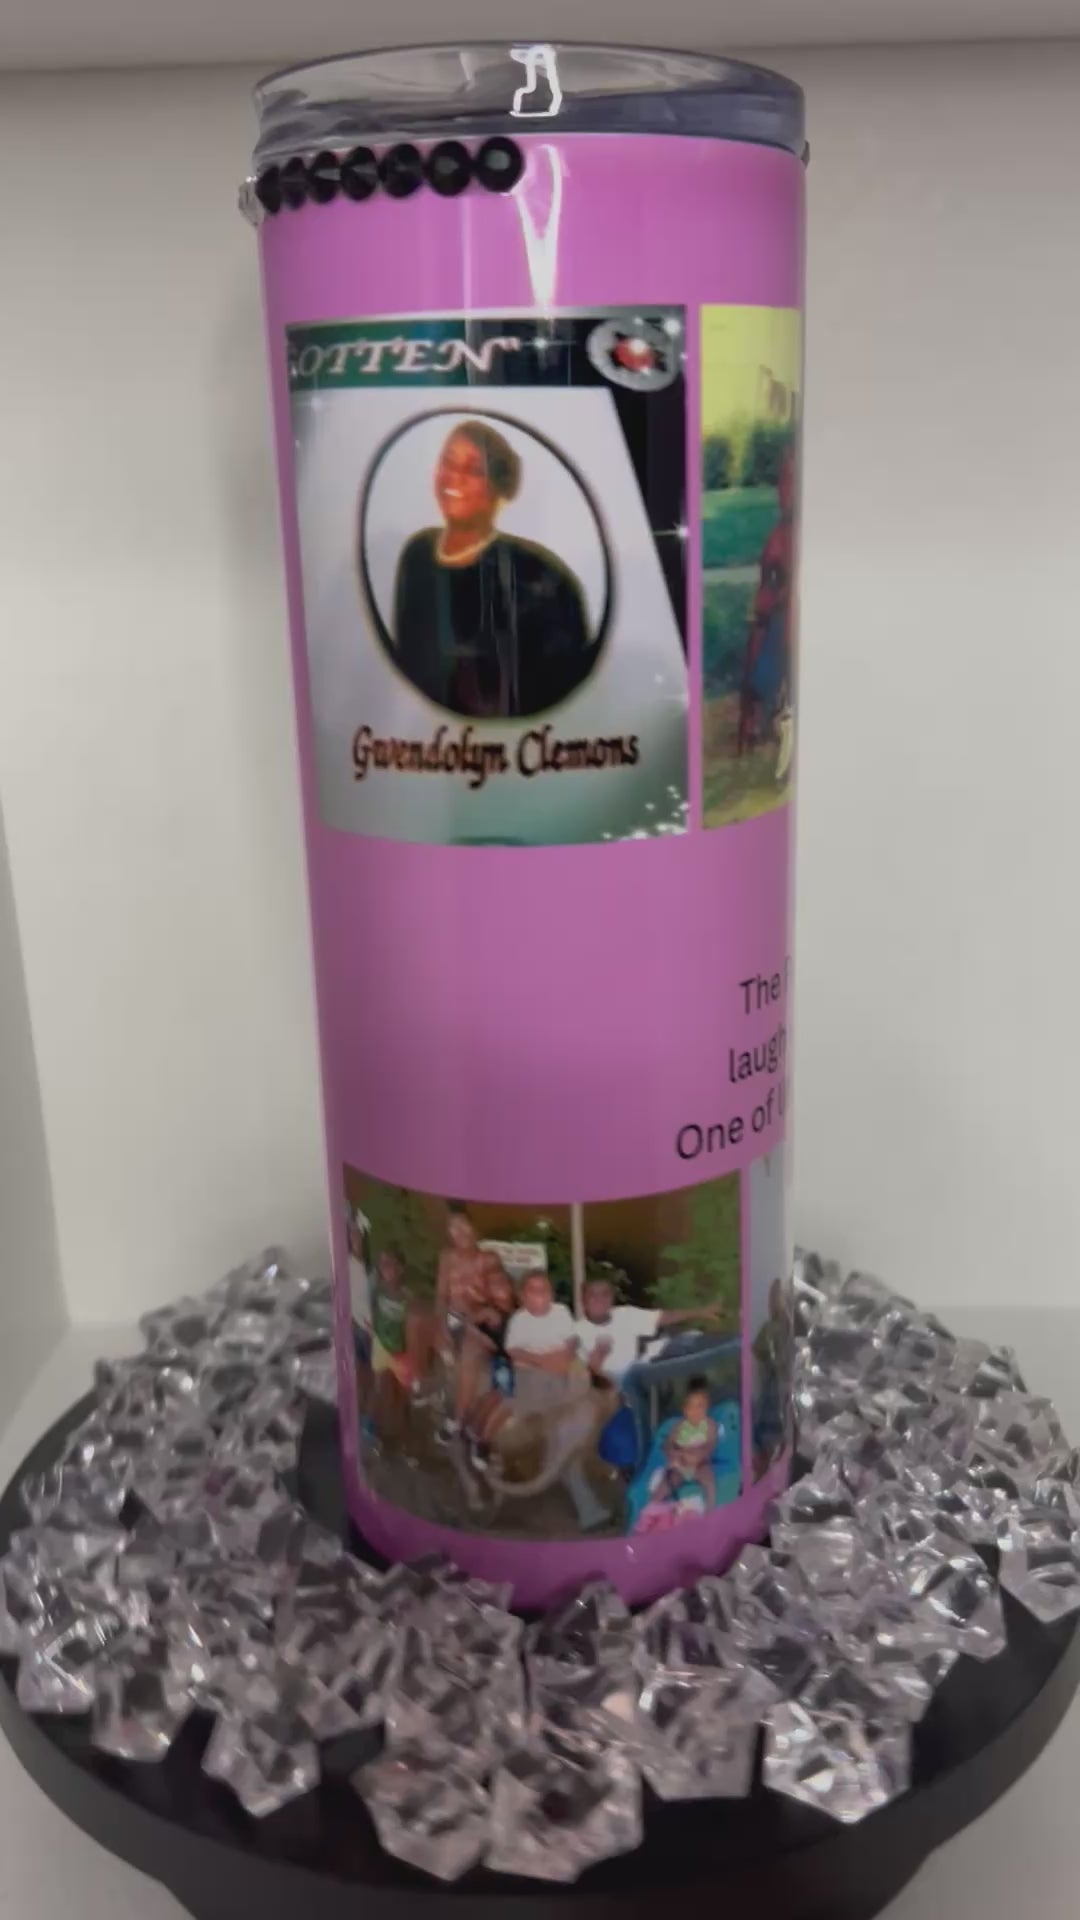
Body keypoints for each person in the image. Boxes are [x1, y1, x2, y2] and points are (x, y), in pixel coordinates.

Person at [390, 420, 595, 719]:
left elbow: (558, 685)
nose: (454, 476)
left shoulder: (537, 574)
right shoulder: (416, 555)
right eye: (448, 461)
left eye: (473, 470)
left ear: (498, 488)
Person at [504, 1271, 609, 1532]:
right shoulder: (519, 1320)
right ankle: (587, 1507)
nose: (540, 1295)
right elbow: (514, 1350)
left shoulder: (561, 1312)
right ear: (523, 1296)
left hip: (563, 1376)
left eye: (545, 1289)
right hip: (534, 1381)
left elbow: (571, 1342)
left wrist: (560, 1358)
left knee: (584, 1399)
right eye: (533, 1290)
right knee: (560, 1438)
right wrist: (543, 1361)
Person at [738, 443, 796, 755]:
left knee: (778, 631)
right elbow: (768, 581)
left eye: (789, 483)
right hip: (778, 613)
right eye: (782, 483)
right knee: (762, 633)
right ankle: (756, 714)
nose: (783, 492)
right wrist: (765, 604)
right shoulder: (777, 538)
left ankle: (769, 709)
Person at [575, 1275, 726, 1389]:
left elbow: (664, 1317)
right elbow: (585, 1376)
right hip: (609, 1388)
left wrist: (701, 1312)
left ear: (612, 1298)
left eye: (605, 1294)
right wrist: (599, 1356)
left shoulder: (624, 1314)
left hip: (640, 1372)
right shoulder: (576, 1332)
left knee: (685, 1339)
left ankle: (728, 1348)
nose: (600, 1300)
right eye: (593, 1295)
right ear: (583, 1300)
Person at [656, 1378, 718, 1509]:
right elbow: (667, 1444)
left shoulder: (709, 1425)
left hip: (700, 1464)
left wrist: (700, 1454)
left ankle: (710, 1510)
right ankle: (653, 1506)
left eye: (700, 1406)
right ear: (684, 1410)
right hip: (681, 1464)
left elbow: (711, 1445)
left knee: (709, 1481)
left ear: (707, 1407)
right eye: (691, 1407)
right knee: (667, 1483)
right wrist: (674, 1453)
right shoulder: (679, 1427)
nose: (696, 1411)